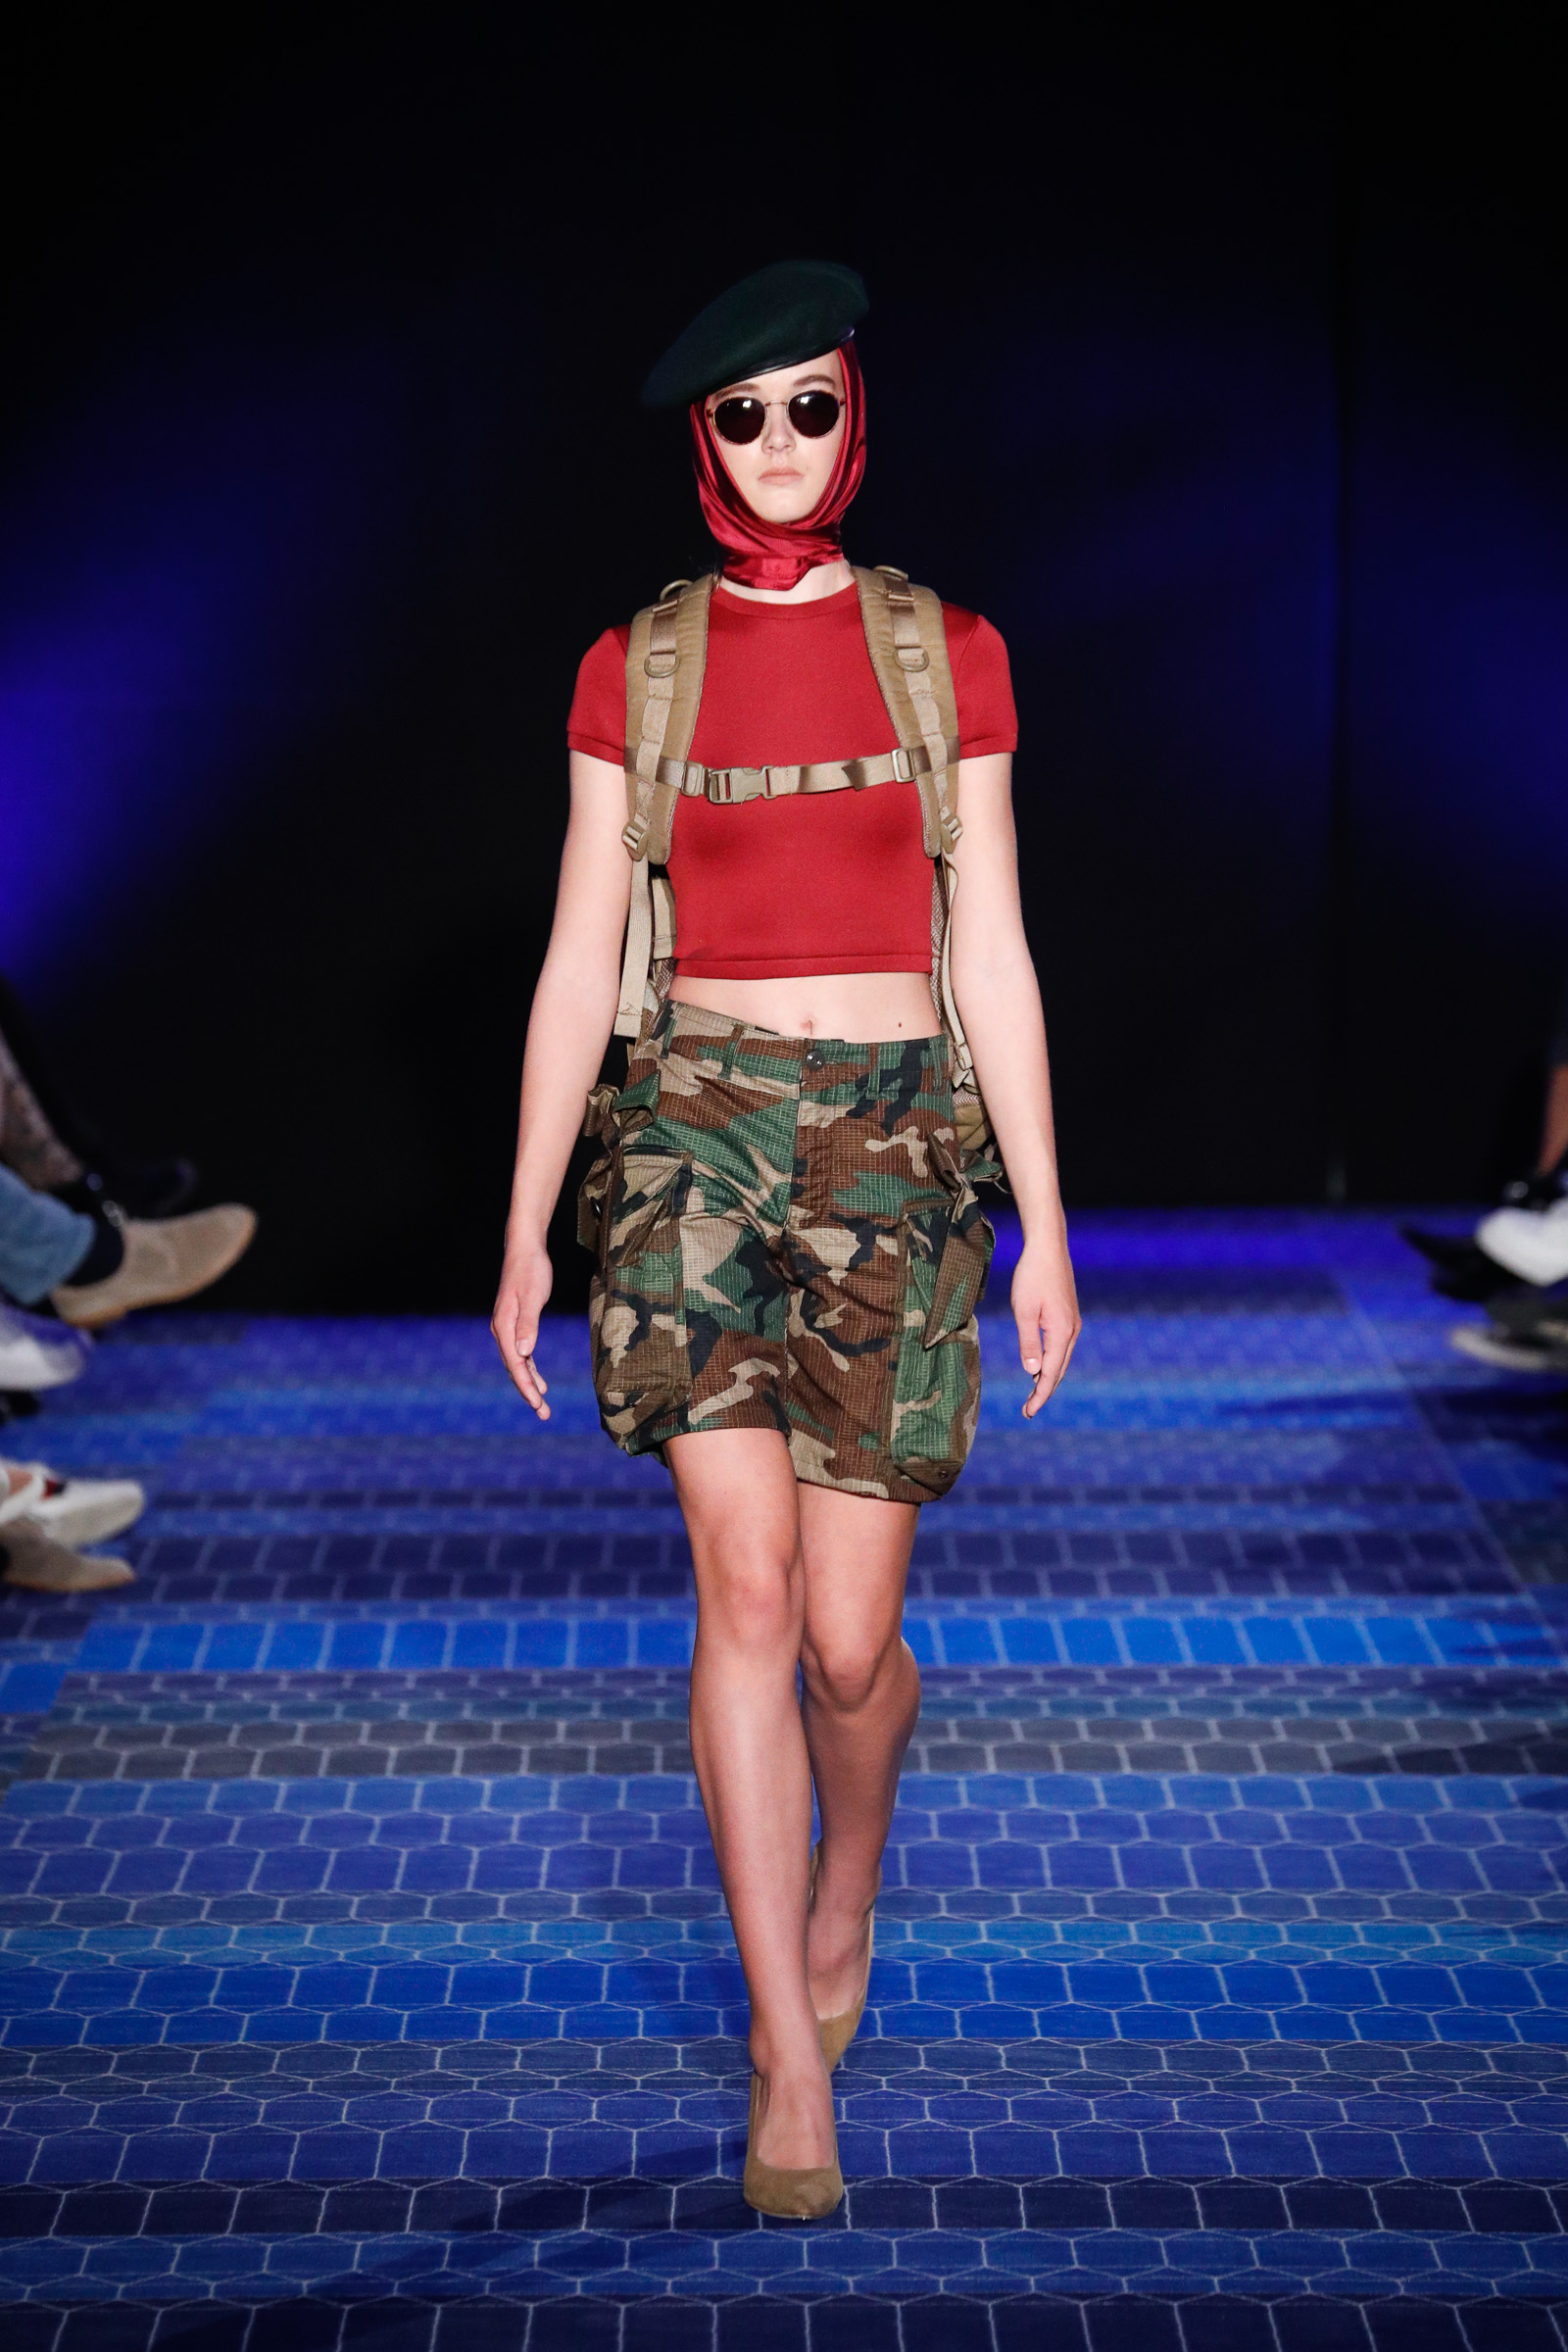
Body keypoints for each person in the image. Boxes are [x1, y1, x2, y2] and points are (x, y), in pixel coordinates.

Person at [490, 263, 1079, 2219]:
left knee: (846, 1645)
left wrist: (1046, 1224)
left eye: (807, 404)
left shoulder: (948, 654)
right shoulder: (634, 667)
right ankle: (783, 2053)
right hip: (689, 1136)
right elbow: (579, 956)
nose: (775, 442)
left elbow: (990, 949)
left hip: (897, 1143)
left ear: (855, 414)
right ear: (700, 439)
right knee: (741, 1593)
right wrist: (525, 1226)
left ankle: (850, 1884)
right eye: (739, 414)